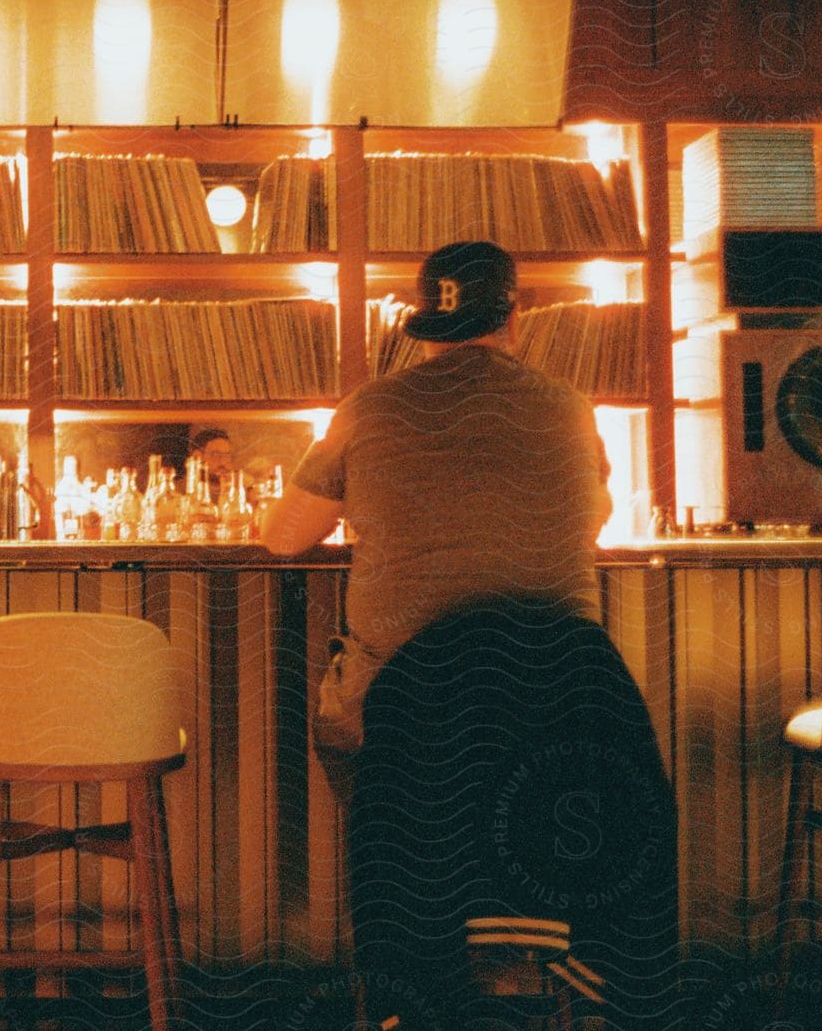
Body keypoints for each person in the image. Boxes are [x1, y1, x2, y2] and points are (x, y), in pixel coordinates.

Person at [262, 240, 677, 1029]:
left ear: (425, 327)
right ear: (514, 316)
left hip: (410, 726)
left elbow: (284, 538)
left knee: (370, 746)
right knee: (515, 785)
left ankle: (416, 968)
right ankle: (534, 947)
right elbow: (596, 515)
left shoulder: (370, 407)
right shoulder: (569, 406)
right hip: (559, 721)